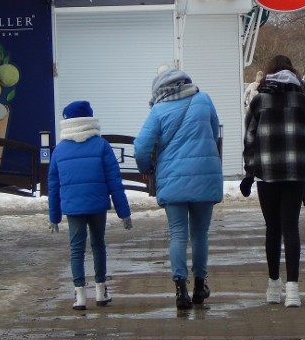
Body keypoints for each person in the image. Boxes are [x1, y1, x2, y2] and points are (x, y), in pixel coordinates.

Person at [134, 67, 223, 310]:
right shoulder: (203, 100)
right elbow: (214, 132)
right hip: (204, 176)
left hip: (173, 180)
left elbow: (141, 147)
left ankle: (180, 290)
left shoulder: (158, 110)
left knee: (177, 234)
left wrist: (147, 167)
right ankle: (200, 286)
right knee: (200, 233)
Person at [241, 54, 305, 308]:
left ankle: (273, 286)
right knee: (291, 227)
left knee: (272, 228)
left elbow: (250, 140)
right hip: (296, 172)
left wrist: (249, 173)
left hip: (267, 173)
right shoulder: (304, 102)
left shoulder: (259, 101)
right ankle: (293, 290)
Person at [47, 100, 133, 311]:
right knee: (98, 245)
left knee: (76, 249)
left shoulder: (59, 150)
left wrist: (54, 217)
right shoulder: (101, 145)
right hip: (97, 206)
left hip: (73, 207)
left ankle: (79, 297)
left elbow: (53, 186)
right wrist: (124, 212)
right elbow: (114, 180)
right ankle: (101, 291)